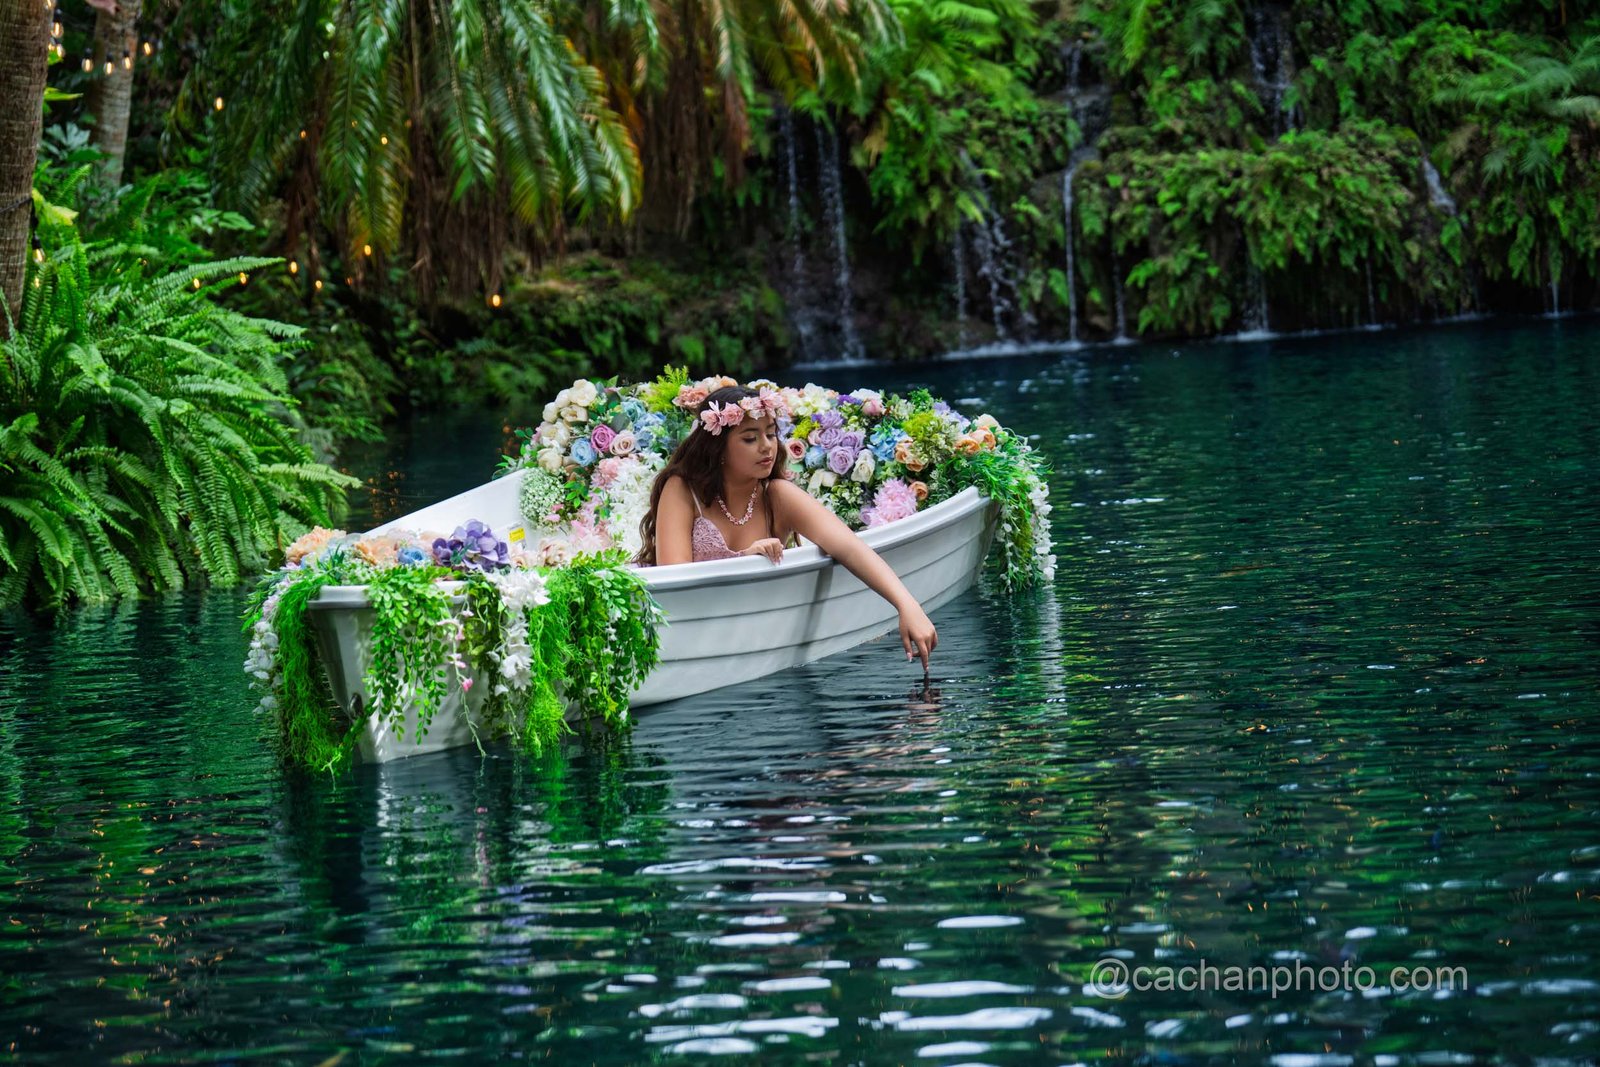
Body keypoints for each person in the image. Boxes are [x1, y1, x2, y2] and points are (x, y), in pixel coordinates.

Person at [635, 385, 940, 669]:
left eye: (771, 434)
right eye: (750, 438)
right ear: (718, 448)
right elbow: (674, 578)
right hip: (682, 630)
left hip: (750, 636)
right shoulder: (682, 489)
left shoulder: (777, 495)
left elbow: (849, 547)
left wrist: (907, 605)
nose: (767, 447)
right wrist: (744, 558)